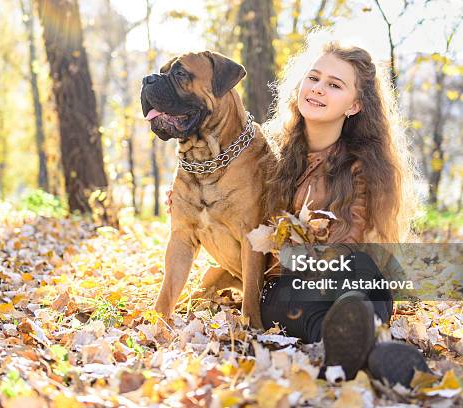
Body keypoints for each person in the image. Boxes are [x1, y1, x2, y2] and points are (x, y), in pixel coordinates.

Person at [166, 30, 429, 387]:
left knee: (359, 272)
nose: (319, 88)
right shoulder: (264, 149)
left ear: (354, 105)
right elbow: (215, 180)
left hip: (346, 280)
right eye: (314, 78)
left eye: (335, 85)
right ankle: (373, 354)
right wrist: (183, 195)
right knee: (283, 297)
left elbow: (350, 247)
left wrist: (309, 245)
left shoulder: (363, 168)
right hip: (289, 287)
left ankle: (355, 339)